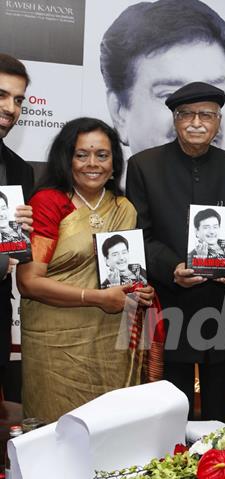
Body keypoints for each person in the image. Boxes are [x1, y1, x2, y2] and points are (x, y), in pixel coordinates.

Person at [126, 81, 225, 424]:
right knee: (170, 415)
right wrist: (173, 268)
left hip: (224, 304)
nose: (197, 122)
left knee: (224, 416)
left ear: (218, 121)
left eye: (207, 115)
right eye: (187, 114)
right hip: (169, 302)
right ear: (175, 120)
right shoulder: (144, 165)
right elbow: (140, 236)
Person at [16, 118, 155, 421]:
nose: (92, 164)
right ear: (67, 160)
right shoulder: (48, 204)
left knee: (110, 430)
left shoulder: (123, 208)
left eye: (102, 155)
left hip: (111, 345)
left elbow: (124, 276)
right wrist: (96, 298)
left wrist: (140, 291)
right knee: (56, 433)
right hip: (56, 346)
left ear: (114, 162)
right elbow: (28, 282)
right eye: (82, 155)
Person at [100, 0, 225, 169]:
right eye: (169, 95)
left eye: (214, 94)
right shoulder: (102, 192)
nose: (197, 121)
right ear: (119, 113)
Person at [0, 54, 34, 397]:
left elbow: (19, 253)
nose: (11, 108)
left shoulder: (20, 170)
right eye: (1, 95)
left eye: (18, 99)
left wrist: (22, 235)